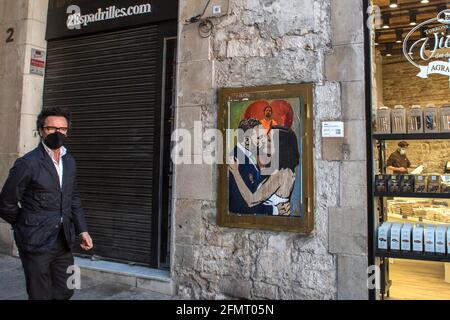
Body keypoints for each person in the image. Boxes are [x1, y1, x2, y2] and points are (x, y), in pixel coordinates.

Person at [0, 106, 93, 300]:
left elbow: (73, 197)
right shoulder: (28, 163)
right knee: (40, 294)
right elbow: (5, 202)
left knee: (66, 290)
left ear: (67, 131)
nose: (58, 133)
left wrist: (82, 230)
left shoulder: (69, 161)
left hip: (63, 241)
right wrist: (25, 224)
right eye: (52, 128)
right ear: (41, 130)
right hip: (35, 241)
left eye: (63, 129)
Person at [229, 126, 299, 216]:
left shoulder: (281, 174)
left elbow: (251, 201)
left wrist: (235, 172)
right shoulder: (281, 170)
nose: (264, 141)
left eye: (269, 140)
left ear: (280, 146)